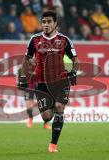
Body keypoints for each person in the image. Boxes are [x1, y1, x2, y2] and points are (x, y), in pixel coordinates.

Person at [18, 10, 79, 153]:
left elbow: (75, 59)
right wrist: (23, 77)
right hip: (41, 82)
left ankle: (53, 145)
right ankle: (48, 119)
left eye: (49, 21)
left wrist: (73, 72)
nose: (46, 24)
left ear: (55, 23)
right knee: (47, 116)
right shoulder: (35, 39)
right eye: (44, 22)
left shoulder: (64, 40)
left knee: (59, 107)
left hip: (61, 81)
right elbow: (26, 59)